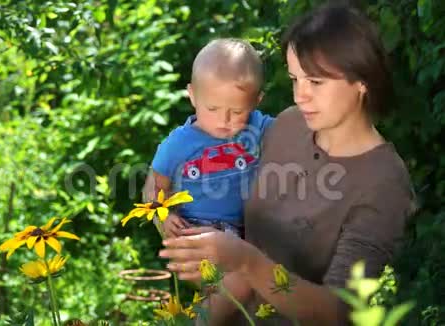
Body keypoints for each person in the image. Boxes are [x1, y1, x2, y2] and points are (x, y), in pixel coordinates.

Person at [154, 2, 417, 325]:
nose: (299, 96)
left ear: (361, 80)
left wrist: (246, 262)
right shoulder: (289, 125)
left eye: (315, 82)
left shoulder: (383, 182)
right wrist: (180, 230)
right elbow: (202, 170)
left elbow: (339, 313)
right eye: (295, 79)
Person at [147, 38, 274, 239]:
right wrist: (163, 215)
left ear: (256, 102)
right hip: (195, 229)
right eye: (212, 109)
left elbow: (293, 129)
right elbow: (153, 186)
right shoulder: (179, 143)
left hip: (248, 231)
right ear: (192, 95)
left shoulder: (256, 126)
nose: (223, 120)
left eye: (237, 111)